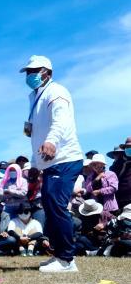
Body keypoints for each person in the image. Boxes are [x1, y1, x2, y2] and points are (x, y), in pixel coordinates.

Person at [21, 55, 83, 273]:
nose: (30, 75)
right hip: (50, 163)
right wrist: (35, 163)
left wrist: (52, 141)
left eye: (34, 71)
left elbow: (61, 120)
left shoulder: (56, 92)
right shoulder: (36, 97)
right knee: (50, 207)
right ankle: (60, 255)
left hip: (64, 158)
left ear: (47, 72)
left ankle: (66, 260)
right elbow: (37, 135)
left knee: (57, 206)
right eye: (28, 72)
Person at [83, 153, 118, 224]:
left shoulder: (110, 174)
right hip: (95, 207)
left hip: (109, 207)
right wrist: (97, 179)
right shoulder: (90, 176)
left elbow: (113, 188)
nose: (96, 166)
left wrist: (100, 191)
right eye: (94, 164)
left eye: (99, 164)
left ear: (103, 165)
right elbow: (88, 189)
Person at [110, 137, 131, 210]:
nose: (129, 148)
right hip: (121, 199)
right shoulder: (118, 164)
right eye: (128, 147)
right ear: (125, 148)